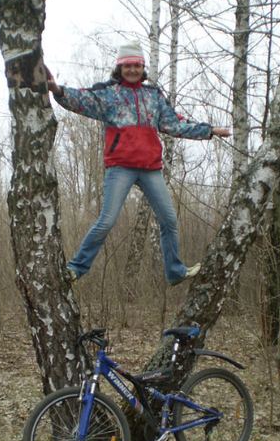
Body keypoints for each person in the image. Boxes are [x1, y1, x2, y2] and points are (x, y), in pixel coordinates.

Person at [45, 40, 231, 285]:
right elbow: (83, 100)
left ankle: (175, 271)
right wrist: (57, 90)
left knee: (169, 220)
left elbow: (174, 123)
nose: (132, 70)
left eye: (137, 65)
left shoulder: (153, 96)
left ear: (142, 68)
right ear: (120, 68)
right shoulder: (110, 93)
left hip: (150, 168)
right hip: (120, 166)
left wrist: (210, 131)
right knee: (107, 220)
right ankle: (76, 267)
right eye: (127, 66)